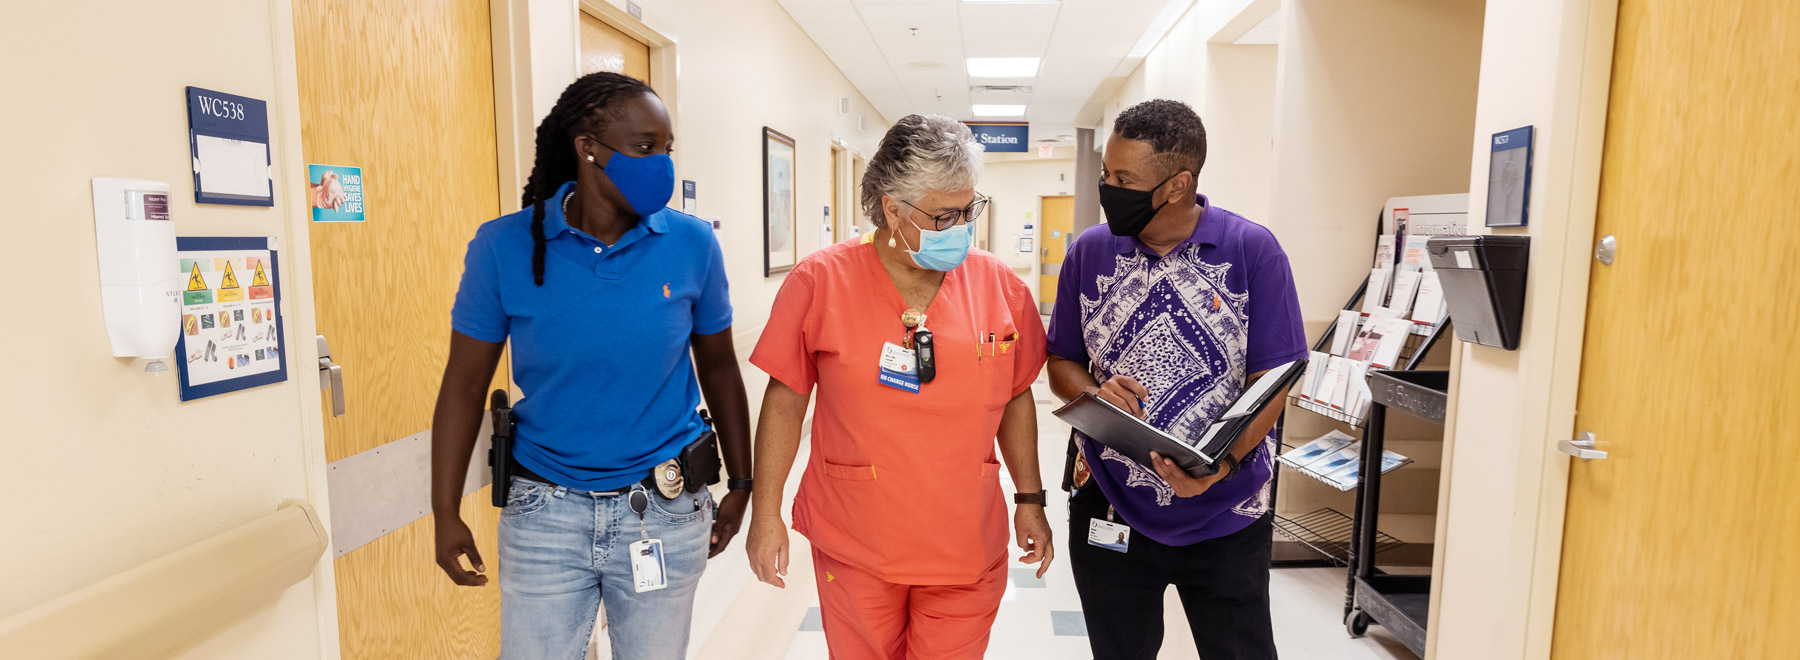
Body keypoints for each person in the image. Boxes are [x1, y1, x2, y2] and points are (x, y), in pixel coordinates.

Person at [427, 72, 753, 660]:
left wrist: (743, 481)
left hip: (663, 503)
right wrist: (444, 511)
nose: (661, 164)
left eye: (667, 148)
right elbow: (464, 382)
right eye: (644, 147)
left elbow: (721, 369)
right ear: (589, 148)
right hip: (544, 512)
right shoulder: (504, 247)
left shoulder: (691, 244)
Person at [745, 114, 1052, 660]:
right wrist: (765, 514)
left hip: (964, 541)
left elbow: (1016, 396)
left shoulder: (999, 286)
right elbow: (785, 400)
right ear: (892, 208)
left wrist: (1030, 499)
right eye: (944, 215)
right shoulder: (821, 281)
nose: (961, 226)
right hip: (857, 537)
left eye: (969, 210)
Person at [1047, 99, 1307, 660]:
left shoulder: (1250, 250)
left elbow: (1276, 377)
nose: (1107, 188)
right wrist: (1093, 392)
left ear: (1177, 184)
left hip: (1227, 511)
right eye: (1106, 175)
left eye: (1123, 179)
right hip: (1108, 504)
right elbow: (1061, 361)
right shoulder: (1090, 252)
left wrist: (1222, 465)